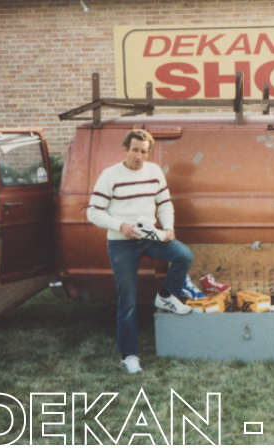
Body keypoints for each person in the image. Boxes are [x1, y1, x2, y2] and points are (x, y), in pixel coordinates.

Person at [87, 129, 193, 374]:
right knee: (128, 302)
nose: (139, 156)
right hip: (121, 243)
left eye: (143, 152)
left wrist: (168, 228)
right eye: (134, 150)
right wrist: (120, 225)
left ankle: (166, 295)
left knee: (184, 255)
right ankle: (129, 355)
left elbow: (164, 203)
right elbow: (93, 211)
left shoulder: (154, 171)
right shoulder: (110, 175)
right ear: (125, 149)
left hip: (149, 237)